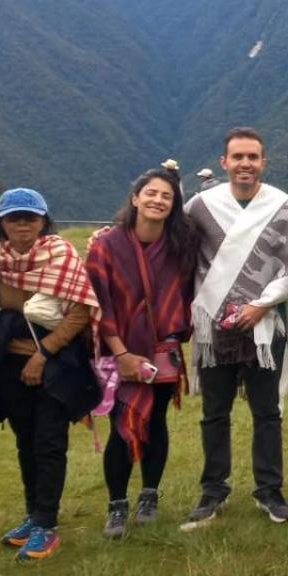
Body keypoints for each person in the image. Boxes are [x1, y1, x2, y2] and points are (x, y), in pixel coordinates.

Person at [182, 127, 288, 529]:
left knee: (267, 411)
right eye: (238, 157)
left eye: (253, 157)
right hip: (214, 324)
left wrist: (262, 304)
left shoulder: (282, 206)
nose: (245, 163)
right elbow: (176, 249)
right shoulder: (200, 206)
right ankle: (213, 490)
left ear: (263, 161)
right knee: (214, 413)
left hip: (264, 325)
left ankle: (269, 491)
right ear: (224, 162)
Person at [0, 188, 100, 561]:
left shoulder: (61, 255)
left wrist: (43, 354)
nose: (22, 225)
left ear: (43, 221)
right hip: (9, 364)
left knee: (49, 442)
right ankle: (33, 514)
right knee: (25, 441)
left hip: (56, 364)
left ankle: (47, 524)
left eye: (30, 218)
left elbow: (80, 311)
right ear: (1, 222)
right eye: (14, 218)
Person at [86, 167, 197, 538]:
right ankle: (117, 504)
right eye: (151, 193)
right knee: (122, 426)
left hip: (164, 352)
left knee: (157, 421)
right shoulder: (107, 245)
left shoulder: (180, 246)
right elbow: (99, 303)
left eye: (166, 196)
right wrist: (121, 355)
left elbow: (185, 295)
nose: (158, 200)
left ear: (174, 205)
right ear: (135, 198)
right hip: (122, 352)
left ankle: (149, 495)